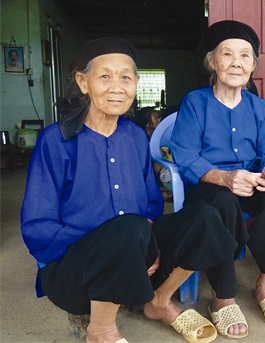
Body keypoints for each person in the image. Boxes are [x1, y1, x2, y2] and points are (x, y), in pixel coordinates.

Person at [21, 37, 239, 343]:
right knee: (127, 229)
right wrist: (122, 245)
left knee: (204, 217)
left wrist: (140, 243)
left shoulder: (136, 136)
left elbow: (151, 202)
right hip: (77, 274)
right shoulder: (55, 141)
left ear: (136, 84)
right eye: (105, 76)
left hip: (139, 262)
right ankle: (101, 330)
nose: (117, 86)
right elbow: (38, 226)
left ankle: (158, 300)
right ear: (83, 83)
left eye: (126, 77)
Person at [170, 20, 265, 339]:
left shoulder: (259, 107)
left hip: (249, 181)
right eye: (227, 54)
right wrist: (224, 177)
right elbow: (184, 155)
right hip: (209, 186)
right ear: (212, 61)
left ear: (253, 65)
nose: (236, 62)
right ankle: (222, 296)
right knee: (223, 201)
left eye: (245, 55)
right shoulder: (195, 103)